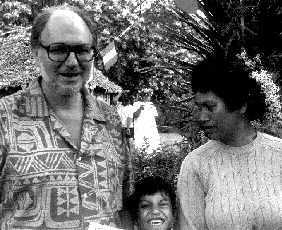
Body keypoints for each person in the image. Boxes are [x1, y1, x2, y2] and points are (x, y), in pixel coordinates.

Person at [0, 4, 129, 229]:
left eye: (81, 50)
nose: (72, 62)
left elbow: (125, 205)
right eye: (58, 49)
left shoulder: (111, 121)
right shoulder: (4, 118)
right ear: (35, 51)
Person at [177, 55, 282, 229]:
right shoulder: (196, 164)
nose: (201, 117)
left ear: (241, 105)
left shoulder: (278, 154)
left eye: (211, 107)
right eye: (199, 107)